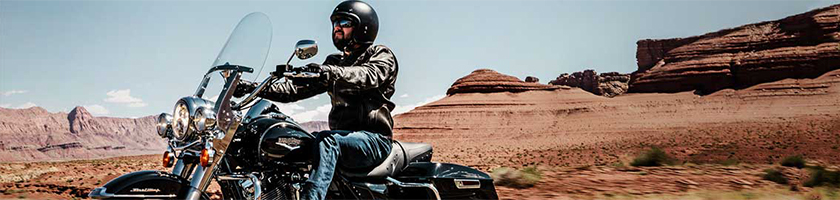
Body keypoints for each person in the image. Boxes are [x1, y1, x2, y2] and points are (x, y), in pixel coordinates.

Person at [234, 1, 397, 199]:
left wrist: (327, 72)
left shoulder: (380, 55)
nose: (337, 27)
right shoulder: (335, 62)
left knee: (327, 140)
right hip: (342, 138)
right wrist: (254, 88)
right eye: (335, 23)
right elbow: (293, 90)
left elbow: (367, 75)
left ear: (363, 27)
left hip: (373, 140)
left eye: (344, 22)